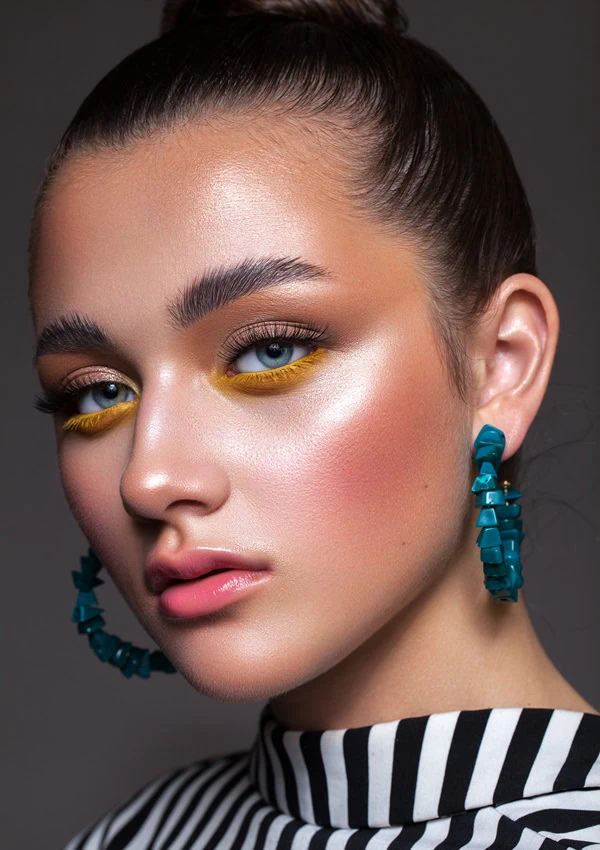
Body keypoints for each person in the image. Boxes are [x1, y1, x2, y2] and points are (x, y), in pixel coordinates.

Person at [28, 1, 599, 848]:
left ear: (500, 366)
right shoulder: (133, 835)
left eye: (268, 352)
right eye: (97, 394)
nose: (148, 477)